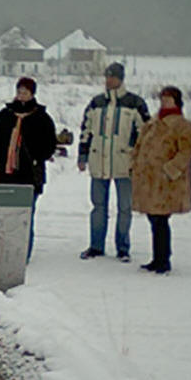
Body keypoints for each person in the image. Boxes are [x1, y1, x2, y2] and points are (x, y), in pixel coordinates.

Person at [77, 62, 150, 262]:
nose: (109, 80)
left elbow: (145, 133)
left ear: (121, 79)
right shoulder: (96, 103)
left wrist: (137, 155)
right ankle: (96, 246)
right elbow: (85, 130)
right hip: (98, 161)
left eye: (113, 77)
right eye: (107, 76)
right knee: (98, 206)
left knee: (124, 208)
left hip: (124, 163)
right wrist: (82, 155)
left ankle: (123, 248)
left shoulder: (135, 103)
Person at [0, 77, 57, 262]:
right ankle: (4, 250)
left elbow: (49, 143)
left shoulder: (41, 117)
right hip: (6, 174)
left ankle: (24, 253)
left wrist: (36, 157)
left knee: (26, 216)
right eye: (19, 91)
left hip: (29, 175)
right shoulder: (5, 115)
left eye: (26, 92)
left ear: (32, 94)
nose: (22, 95)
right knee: (5, 215)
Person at [131, 86, 191, 274]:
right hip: (150, 180)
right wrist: (135, 163)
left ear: (176, 101)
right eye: (163, 99)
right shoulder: (153, 122)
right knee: (154, 219)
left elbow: (187, 151)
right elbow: (140, 144)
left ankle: (163, 260)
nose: (164, 102)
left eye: (168, 99)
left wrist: (171, 170)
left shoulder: (182, 125)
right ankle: (157, 258)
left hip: (167, 183)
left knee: (161, 220)